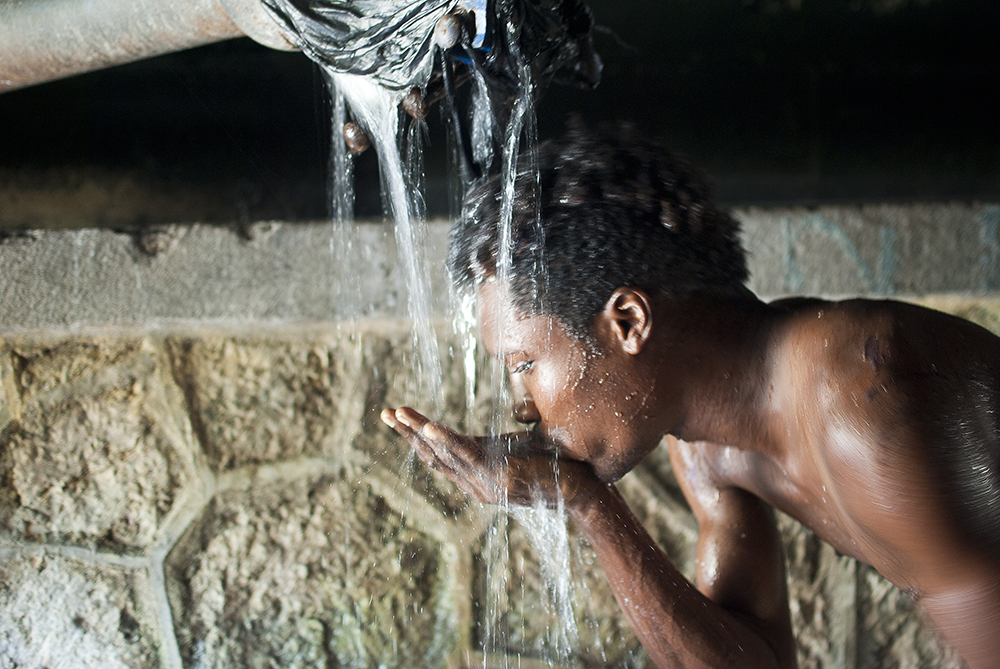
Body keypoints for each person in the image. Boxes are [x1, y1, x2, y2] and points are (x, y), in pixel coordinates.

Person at [380, 128, 1000, 668]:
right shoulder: (704, 450)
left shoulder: (862, 407)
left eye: (524, 365)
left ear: (626, 321)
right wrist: (587, 503)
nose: (522, 407)